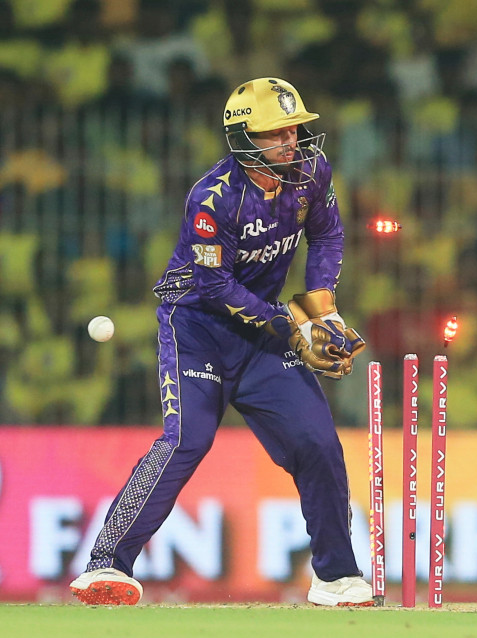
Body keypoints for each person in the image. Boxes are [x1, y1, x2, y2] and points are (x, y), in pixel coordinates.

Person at [70, 77, 370, 606]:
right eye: (277, 133)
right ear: (246, 138)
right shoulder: (214, 198)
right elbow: (214, 287)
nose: (292, 141)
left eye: (295, 128)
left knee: (318, 442)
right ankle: (106, 566)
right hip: (196, 327)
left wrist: (321, 306)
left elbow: (326, 235)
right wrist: (291, 327)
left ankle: (336, 576)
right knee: (187, 440)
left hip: (263, 335)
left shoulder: (311, 173)